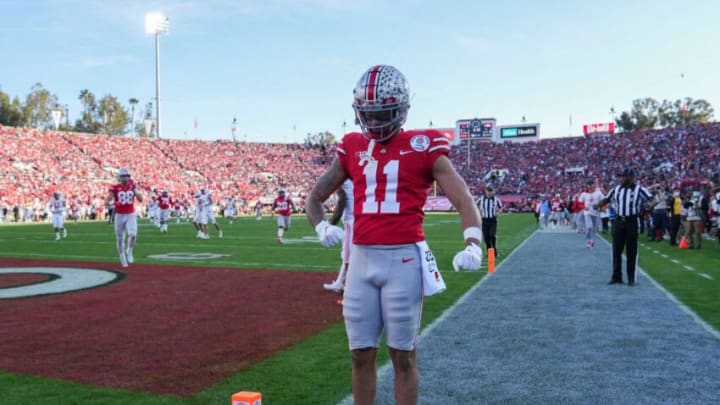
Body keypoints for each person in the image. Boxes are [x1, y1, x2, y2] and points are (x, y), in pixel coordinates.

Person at [306, 64, 483, 405]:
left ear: (399, 108)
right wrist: (321, 226)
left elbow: (463, 198)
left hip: (403, 259)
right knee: (359, 354)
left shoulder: (424, 144)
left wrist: (473, 242)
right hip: (360, 259)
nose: (373, 123)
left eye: (381, 114)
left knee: (403, 356)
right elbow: (315, 196)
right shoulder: (352, 145)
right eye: (367, 115)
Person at [596, 168, 657, 286]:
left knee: (631, 250)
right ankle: (616, 276)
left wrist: (650, 204)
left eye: (625, 176)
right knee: (616, 250)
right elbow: (606, 199)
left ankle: (631, 278)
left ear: (632, 177)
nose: (623, 178)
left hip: (632, 221)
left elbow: (652, 199)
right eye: (622, 176)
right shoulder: (616, 189)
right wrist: (597, 205)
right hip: (619, 221)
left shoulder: (639, 189)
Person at [105, 168, 144, 267]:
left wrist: (137, 193)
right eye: (123, 176)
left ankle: (129, 250)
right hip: (119, 215)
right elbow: (107, 200)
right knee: (120, 238)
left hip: (130, 214)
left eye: (127, 176)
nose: (125, 178)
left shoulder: (132, 186)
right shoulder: (115, 187)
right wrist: (109, 203)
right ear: (119, 177)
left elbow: (141, 199)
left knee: (133, 234)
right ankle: (122, 256)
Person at [323, 179, 354, 293]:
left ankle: (350, 286)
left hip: (352, 221)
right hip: (357, 220)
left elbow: (342, 200)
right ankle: (339, 282)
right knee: (348, 256)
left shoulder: (342, 180)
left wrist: (329, 224)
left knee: (349, 258)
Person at [476, 184, 503, 257]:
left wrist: (498, 212)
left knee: (492, 235)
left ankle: (494, 250)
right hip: (484, 220)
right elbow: (475, 204)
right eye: (488, 190)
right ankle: (489, 252)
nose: (489, 192)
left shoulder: (496, 199)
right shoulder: (481, 199)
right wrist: (479, 209)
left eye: (491, 191)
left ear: (493, 191)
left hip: (492, 220)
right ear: (485, 191)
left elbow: (501, 207)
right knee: (486, 238)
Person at [578, 180, 604, 248]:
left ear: (594, 185)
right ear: (587, 186)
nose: (590, 186)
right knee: (589, 227)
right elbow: (580, 203)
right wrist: (584, 207)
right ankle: (589, 241)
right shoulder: (584, 194)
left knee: (594, 229)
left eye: (592, 184)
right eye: (589, 184)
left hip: (596, 213)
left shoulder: (598, 193)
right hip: (587, 213)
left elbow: (604, 200)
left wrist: (602, 207)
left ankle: (591, 241)